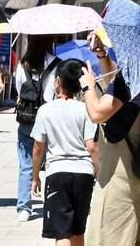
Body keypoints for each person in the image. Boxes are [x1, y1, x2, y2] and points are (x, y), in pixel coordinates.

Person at [82, 31, 140, 246]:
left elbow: (97, 113)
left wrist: (88, 86)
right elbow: (116, 85)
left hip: (121, 173)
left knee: (110, 235)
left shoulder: (131, 77)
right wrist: (103, 56)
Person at [31, 61, 99, 246]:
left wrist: (35, 175)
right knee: (78, 230)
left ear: (58, 82)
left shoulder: (46, 110)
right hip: (84, 174)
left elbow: (38, 147)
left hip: (58, 173)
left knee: (62, 233)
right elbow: (92, 146)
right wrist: (100, 172)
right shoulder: (86, 109)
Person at [11, 35, 60, 222]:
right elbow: (56, 91)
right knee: (51, 162)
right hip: (48, 118)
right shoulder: (55, 63)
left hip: (26, 118)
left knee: (26, 165)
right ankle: (51, 203)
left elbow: (18, 89)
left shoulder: (23, 64)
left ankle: (24, 207)